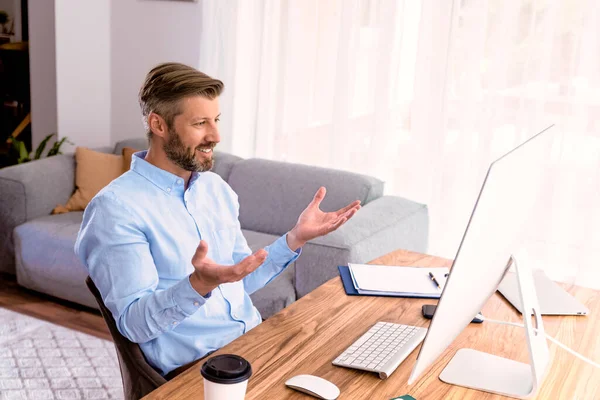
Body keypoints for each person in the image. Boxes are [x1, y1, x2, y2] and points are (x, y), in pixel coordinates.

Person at [75, 62, 361, 378]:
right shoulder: (116, 210)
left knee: (353, 365)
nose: (216, 135)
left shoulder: (215, 190)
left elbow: (240, 277)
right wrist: (198, 285)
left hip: (252, 341)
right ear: (159, 125)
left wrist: (296, 237)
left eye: (216, 120)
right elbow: (135, 325)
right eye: (200, 123)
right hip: (197, 371)